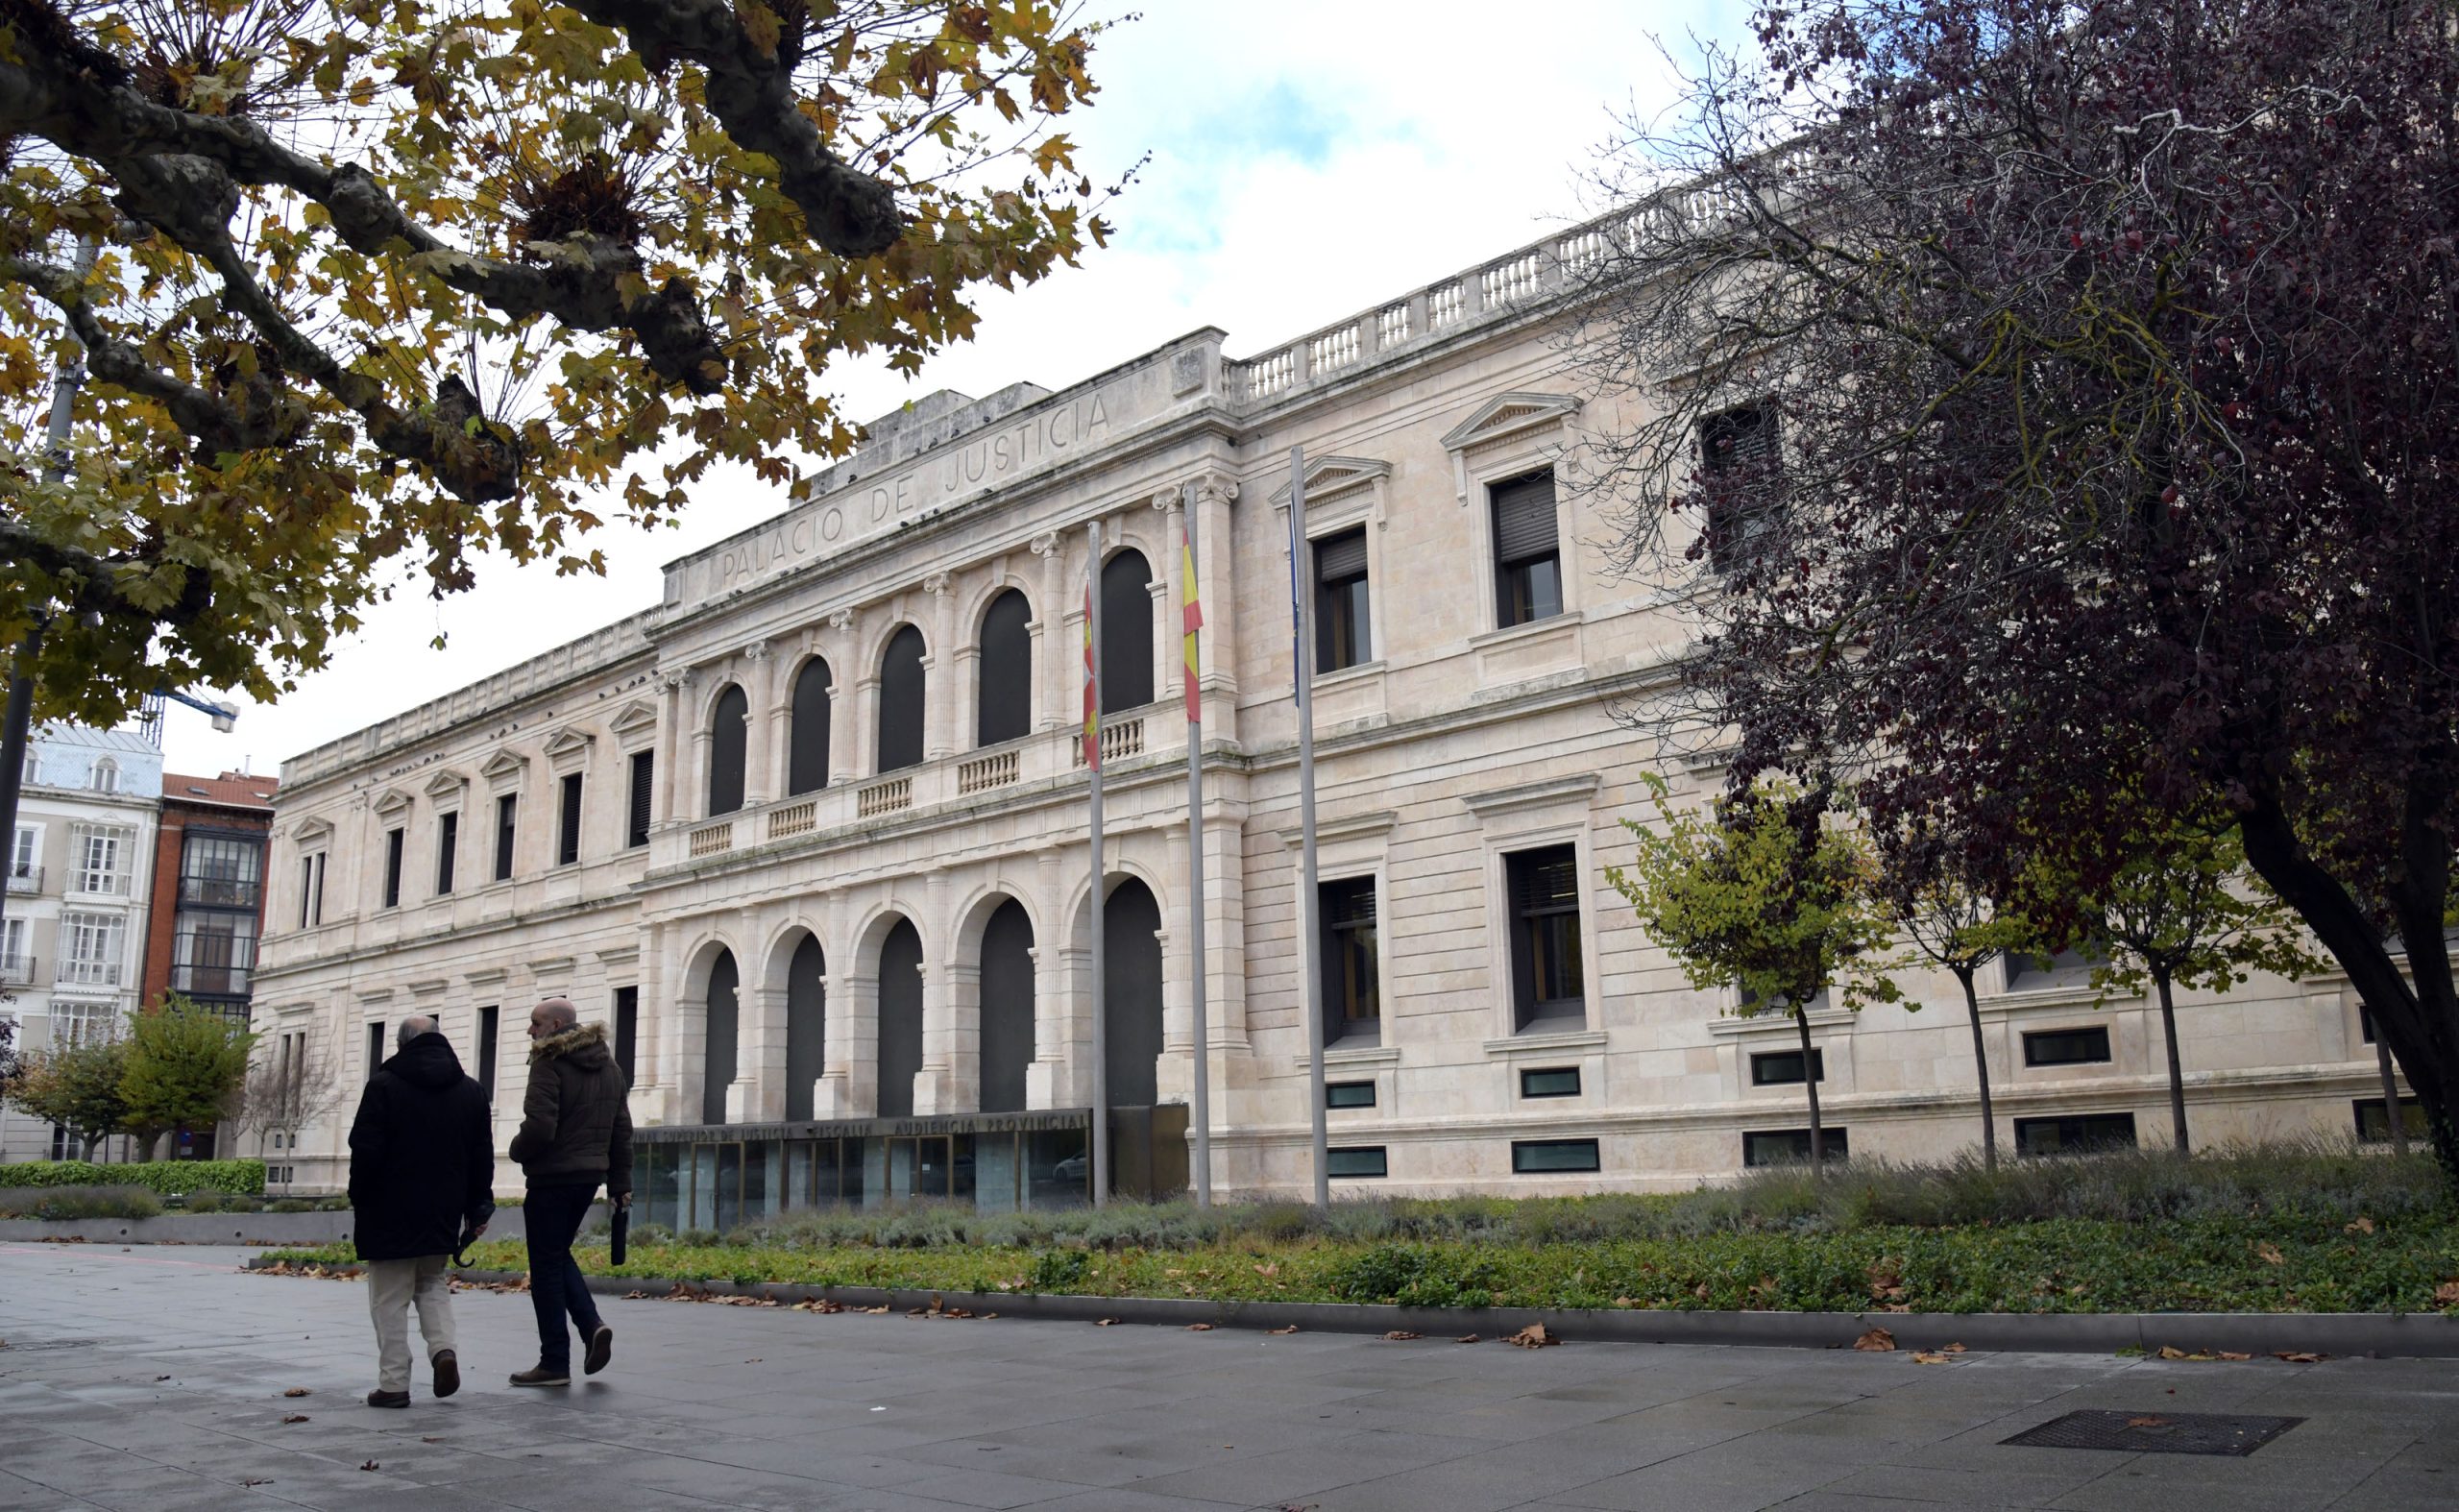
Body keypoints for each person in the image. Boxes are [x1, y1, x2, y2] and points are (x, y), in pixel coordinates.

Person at [347, 1013, 493, 1409]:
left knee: (389, 1297)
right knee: (432, 1283)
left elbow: (365, 1150)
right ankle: (444, 1350)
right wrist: (479, 1205)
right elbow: (482, 1156)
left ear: (401, 1044)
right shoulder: (472, 1092)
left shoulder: (383, 1086)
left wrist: (359, 1197)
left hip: (388, 1207)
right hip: (443, 1210)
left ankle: (394, 1383)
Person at [506, 997, 632, 1386]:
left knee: (545, 1266)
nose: (531, 1031)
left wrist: (516, 1150)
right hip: (589, 1177)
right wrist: (619, 1184)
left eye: (535, 1023)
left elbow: (541, 1125)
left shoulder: (548, 1062)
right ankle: (590, 1327)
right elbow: (621, 1130)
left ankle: (554, 1362)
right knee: (556, 1255)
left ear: (556, 1024)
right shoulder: (609, 1066)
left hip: (551, 1178)